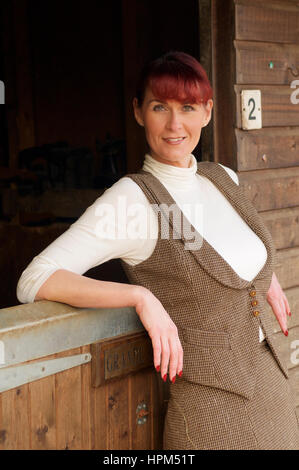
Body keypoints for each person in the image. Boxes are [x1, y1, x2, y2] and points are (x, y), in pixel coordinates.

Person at [17, 51, 299, 450]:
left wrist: (259, 275)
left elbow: (223, 252)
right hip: (212, 415)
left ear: (207, 111)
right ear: (137, 112)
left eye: (187, 107)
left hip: (275, 390)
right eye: (158, 107)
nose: (174, 124)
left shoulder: (221, 178)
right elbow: (35, 277)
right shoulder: (134, 200)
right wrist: (140, 297)